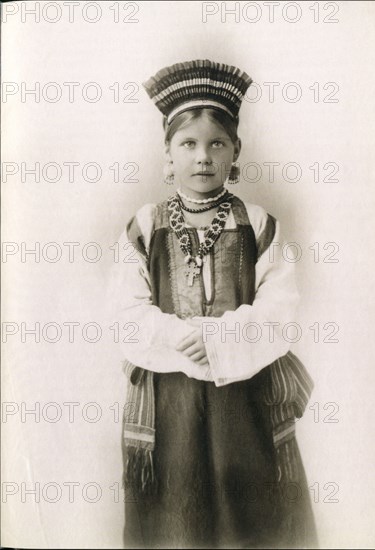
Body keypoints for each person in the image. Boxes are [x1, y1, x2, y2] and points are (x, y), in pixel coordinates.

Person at [110, 59, 318, 549]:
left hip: (242, 396)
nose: (202, 157)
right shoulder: (145, 225)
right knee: (176, 509)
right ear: (167, 155)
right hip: (170, 398)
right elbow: (127, 310)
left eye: (216, 144)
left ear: (234, 153)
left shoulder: (258, 224)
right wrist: (182, 338)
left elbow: (280, 308)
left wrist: (221, 339)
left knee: (245, 509)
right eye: (188, 144)